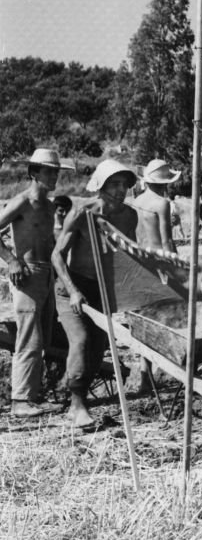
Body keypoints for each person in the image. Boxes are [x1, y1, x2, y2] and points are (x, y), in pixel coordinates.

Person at [52, 159, 139, 428]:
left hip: (103, 289)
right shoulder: (82, 212)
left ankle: (75, 401)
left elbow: (128, 254)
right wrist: (74, 291)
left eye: (124, 184)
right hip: (72, 288)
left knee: (99, 347)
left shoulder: (128, 215)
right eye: (114, 184)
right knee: (81, 339)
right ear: (100, 186)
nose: (120, 189)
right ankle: (77, 405)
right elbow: (57, 256)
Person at [0, 149, 64, 418]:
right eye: (49, 171)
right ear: (34, 173)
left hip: (47, 273)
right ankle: (19, 401)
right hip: (26, 274)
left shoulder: (50, 207)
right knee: (30, 337)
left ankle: (34, 395)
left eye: (56, 171)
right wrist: (11, 261)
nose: (54, 176)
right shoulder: (22, 202)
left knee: (45, 337)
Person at [134, 159, 181, 254]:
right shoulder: (162, 203)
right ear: (165, 184)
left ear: (146, 181)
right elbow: (166, 241)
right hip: (158, 259)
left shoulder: (136, 201)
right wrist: (176, 261)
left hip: (141, 255)